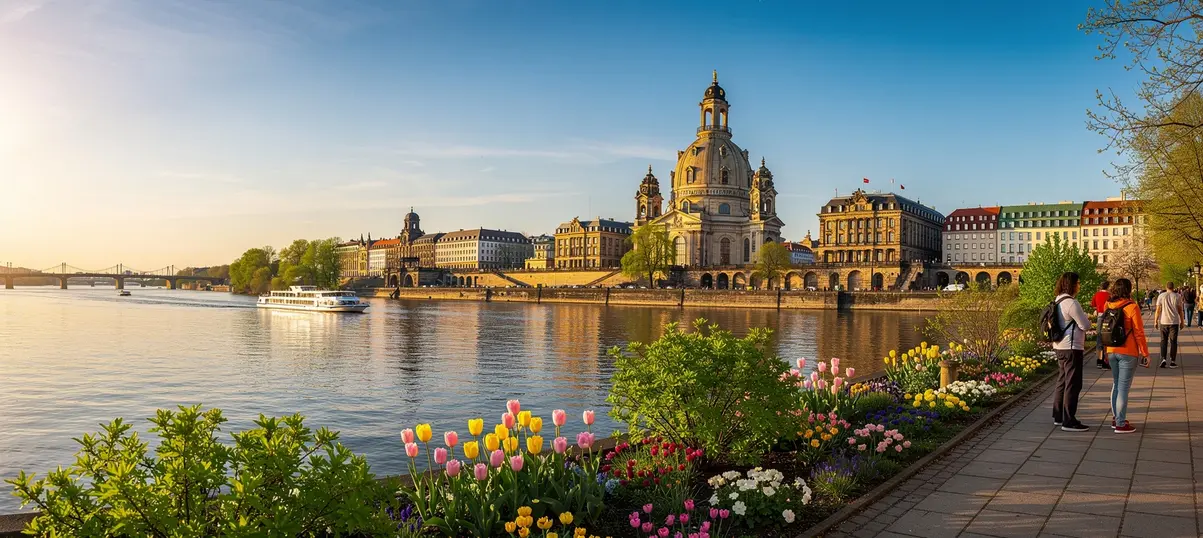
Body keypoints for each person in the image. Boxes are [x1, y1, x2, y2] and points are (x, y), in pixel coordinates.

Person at [1103, 278, 1149, 434]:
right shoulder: (1132, 307)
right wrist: (1145, 353)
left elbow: (1103, 330)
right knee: (1123, 388)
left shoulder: (1108, 305)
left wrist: (1103, 350)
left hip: (1111, 350)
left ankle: (1116, 418)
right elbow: (1139, 332)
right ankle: (1121, 424)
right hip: (1128, 351)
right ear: (1129, 290)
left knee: (1116, 385)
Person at [1051, 272, 1091, 432]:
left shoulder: (1058, 300)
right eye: (1078, 282)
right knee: (1073, 383)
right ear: (1072, 284)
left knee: (1062, 381)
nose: (1079, 285)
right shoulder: (1071, 303)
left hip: (1059, 345)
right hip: (1072, 347)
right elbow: (1085, 325)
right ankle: (1069, 420)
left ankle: (1058, 415)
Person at [1154, 282, 1185, 368]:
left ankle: (1163, 358)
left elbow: (1158, 310)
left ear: (1166, 287)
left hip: (1163, 321)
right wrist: (1182, 321)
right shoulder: (1177, 296)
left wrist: (1155, 321)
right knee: (1173, 341)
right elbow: (1180, 310)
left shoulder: (1161, 296)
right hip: (1174, 322)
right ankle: (1172, 361)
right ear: (1173, 287)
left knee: (1163, 341)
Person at [1092, 280, 1111, 370]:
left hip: (1100, 316)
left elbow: (1093, 305)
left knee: (1099, 338)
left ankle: (1099, 360)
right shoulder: (1109, 295)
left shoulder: (1096, 294)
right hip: (1108, 318)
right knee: (1107, 338)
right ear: (1108, 287)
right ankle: (1106, 360)